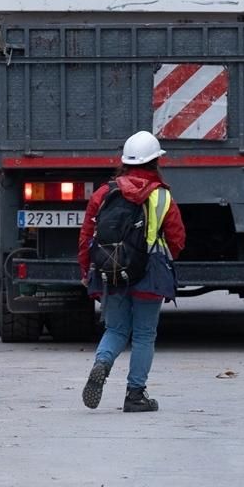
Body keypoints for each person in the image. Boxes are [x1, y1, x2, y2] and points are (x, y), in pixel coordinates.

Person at [78, 130, 185, 413]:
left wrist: (85, 271)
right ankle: (135, 395)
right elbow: (177, 239)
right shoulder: (161, 197)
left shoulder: (104, 193)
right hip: (149, 274)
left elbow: (87, 235)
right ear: (155, 162)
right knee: (143, 335)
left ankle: (101, 363)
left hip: (111, 270)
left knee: (115, 328)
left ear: (124, 162)